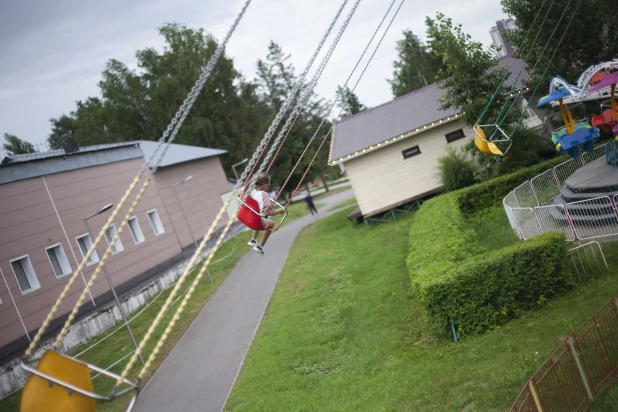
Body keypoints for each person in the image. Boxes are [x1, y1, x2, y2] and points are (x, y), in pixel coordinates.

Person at [238, 172, 285, 256]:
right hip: (255, 222)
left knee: (258, 216)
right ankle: (260, 247)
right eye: (269, 184)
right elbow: (270, 212)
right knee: (271, 223)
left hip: (243, 216)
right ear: (265, 185)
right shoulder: (264, 195)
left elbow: (239, 194)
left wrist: (250, 180)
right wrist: (280, 211)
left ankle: (253, 239)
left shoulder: (248, 190)